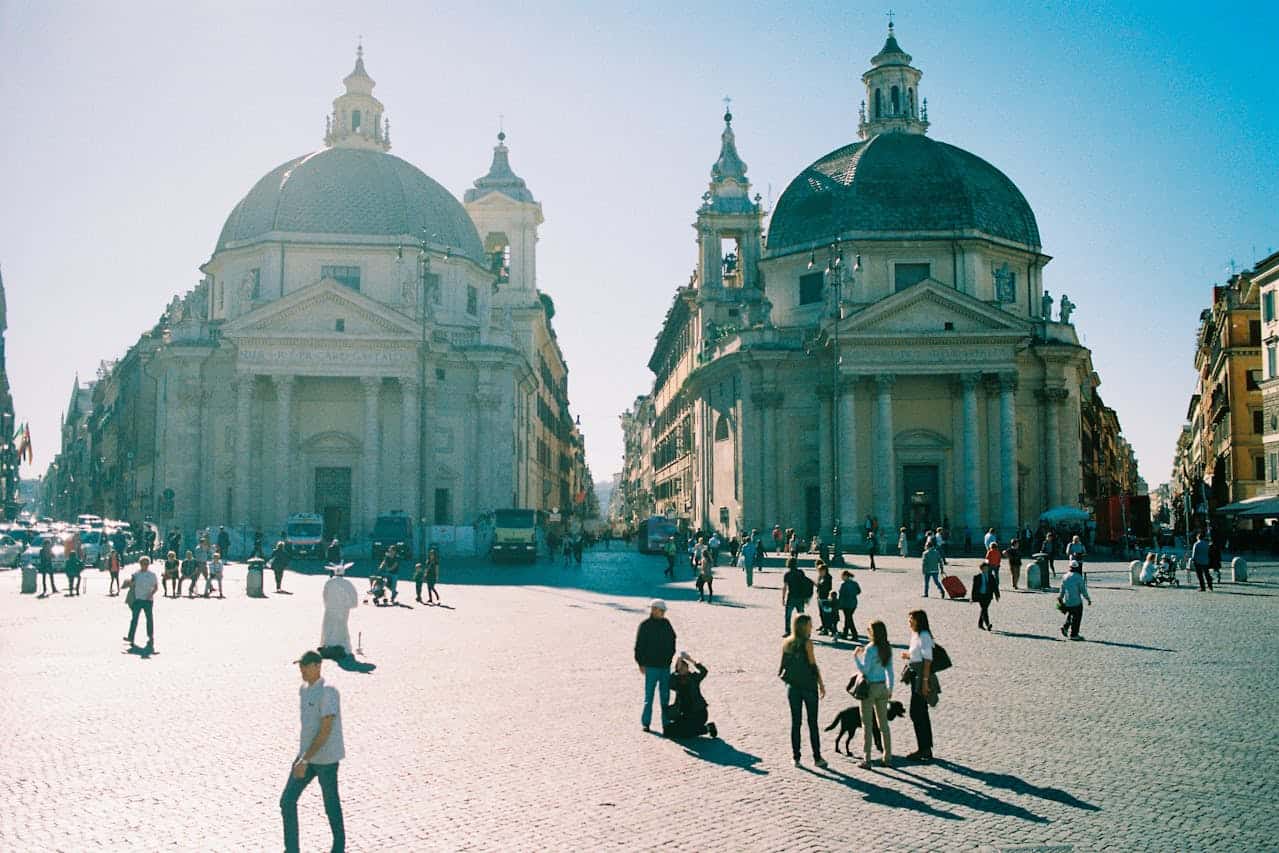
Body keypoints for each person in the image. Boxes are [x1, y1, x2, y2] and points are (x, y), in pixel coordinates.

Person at [281, 650, 345, 853]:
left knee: (330, 805)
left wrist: (304, 759)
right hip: (306, 757)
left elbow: (325, 730)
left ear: (318, 666)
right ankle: (291, 850)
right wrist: (302, 757)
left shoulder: (328, 692)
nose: (301, 670)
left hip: (325, 760)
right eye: (300, 666)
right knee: (287, 801)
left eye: (305, 666)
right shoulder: (303, 690)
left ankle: (338, 847)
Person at [779, 613, 827, 768]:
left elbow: (782, 666)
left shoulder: (786, 642)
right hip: (808, 687)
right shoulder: (808, 643)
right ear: (803, 626)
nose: (811, 627)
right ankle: (817, 757)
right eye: (809, 624)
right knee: (812, 722)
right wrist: (821, 683)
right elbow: (813, 665)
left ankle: (796, 757)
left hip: (792, 686)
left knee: (795, 722)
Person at [852, 619, 895, 768]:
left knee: (867, 724)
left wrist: (856, 657)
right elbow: (890, 670)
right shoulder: (886, 647)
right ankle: (887, 757)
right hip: (883, 687)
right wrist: (890, 688)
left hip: (870, 688)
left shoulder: (870, 648)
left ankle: (867, 759)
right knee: (884, 725)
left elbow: (865, 670)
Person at [634, 599, 677, 733]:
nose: (663, 613)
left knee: (665, 697)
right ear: (654, 610)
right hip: (651, 667)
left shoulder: (666, 624)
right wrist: (640, 663)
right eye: (661, 611)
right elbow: (639, 646)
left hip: (664, 666)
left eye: (663, 611)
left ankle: (666, 724)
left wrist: (670, 658)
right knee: (649, 697)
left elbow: (673, 641)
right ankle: (646, 723)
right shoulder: (645, 625)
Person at [901, 609, 936, 761]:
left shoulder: (924, 636)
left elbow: (928, 660)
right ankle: (925, 747)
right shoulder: (915, 635)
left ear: (918, 620)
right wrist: (908, 655)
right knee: (918, 712)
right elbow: (917, 654)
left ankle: (924, 748)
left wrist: (925, 682)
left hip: (921, 677)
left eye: (911, 619)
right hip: (916, 675)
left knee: (917, 712)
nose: (909, 622)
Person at [665, 652, 717, 740]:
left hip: (698, 713)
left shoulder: (694, 678)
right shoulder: (676, 681)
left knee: (687, 732)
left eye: (684, 667)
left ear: (688, 668)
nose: (682, 669)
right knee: (668, 731)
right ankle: (698, 729)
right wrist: (678, 661)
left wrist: (690, 659)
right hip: (684, 714)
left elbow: (704, 671)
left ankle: (708, 728)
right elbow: (669, 682)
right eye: (680, 668)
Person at [321, 563, 358, 658]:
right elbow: (354, 598)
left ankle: (327, 645)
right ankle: (342, 647)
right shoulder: (347, 583)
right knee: (341, 627)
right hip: (343, 610)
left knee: (329, 626)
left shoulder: (329, 582)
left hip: (330, 609)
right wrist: (349, 605)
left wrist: (328, 605)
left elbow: (325, 596)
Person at [122, 556, 158, 651]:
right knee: (134, 619)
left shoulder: (152, 575)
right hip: (138, 599)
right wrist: (128, 583)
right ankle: (131, 637)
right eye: (143, 564)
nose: (145, 565)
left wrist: (151, 594)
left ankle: (150, 636)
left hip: (148, 600)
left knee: (149, 619)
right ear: (140, 564)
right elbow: (130, 583)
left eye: (146, 564)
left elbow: (156, 587)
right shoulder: (136, 574)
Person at [1058, 560, 1092, 639]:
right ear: (1077, 568)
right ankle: (1074, 634)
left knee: (1071, 614)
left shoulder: (1065, 576)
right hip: (1076, 601)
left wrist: (1060, 598)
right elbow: (1083, 590)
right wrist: (1088, 599)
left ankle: (1065, 627)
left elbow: (1062, 589)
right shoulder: (1078, 577)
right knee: (1077, 617)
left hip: (1067, 601)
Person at [782, 558, 813, 637]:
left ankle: (788, 631)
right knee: (802, 616)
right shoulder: (800, 572)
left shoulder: (787, 574)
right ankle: (804, 631)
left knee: (788, 615)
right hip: (800, 597)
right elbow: (805, 583)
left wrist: (783, 598)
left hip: (791, 596)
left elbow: (785, 587)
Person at [973, 560, 1000, 631]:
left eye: (987, 568)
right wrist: (973, 597)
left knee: (984, 609)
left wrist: (997, 595)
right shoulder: (977, 577)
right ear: (981, 569)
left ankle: (980, 624)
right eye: (984, 568)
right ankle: (988, 624)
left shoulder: (991, 576)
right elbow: (974, 588)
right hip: (980, 595)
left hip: (988, 595)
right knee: (984, 609)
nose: (986, 569)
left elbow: (995, 586)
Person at [837, 569, 861, 640]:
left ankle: (854, 634)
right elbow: (859, 591)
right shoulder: (854, 583)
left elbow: (841, 595)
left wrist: (839, 604)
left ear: (845, 576)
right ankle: (845, 633)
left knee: (849, 619)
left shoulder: (843, 584)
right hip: (853, 603)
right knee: (848, 618)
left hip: (846, 604)